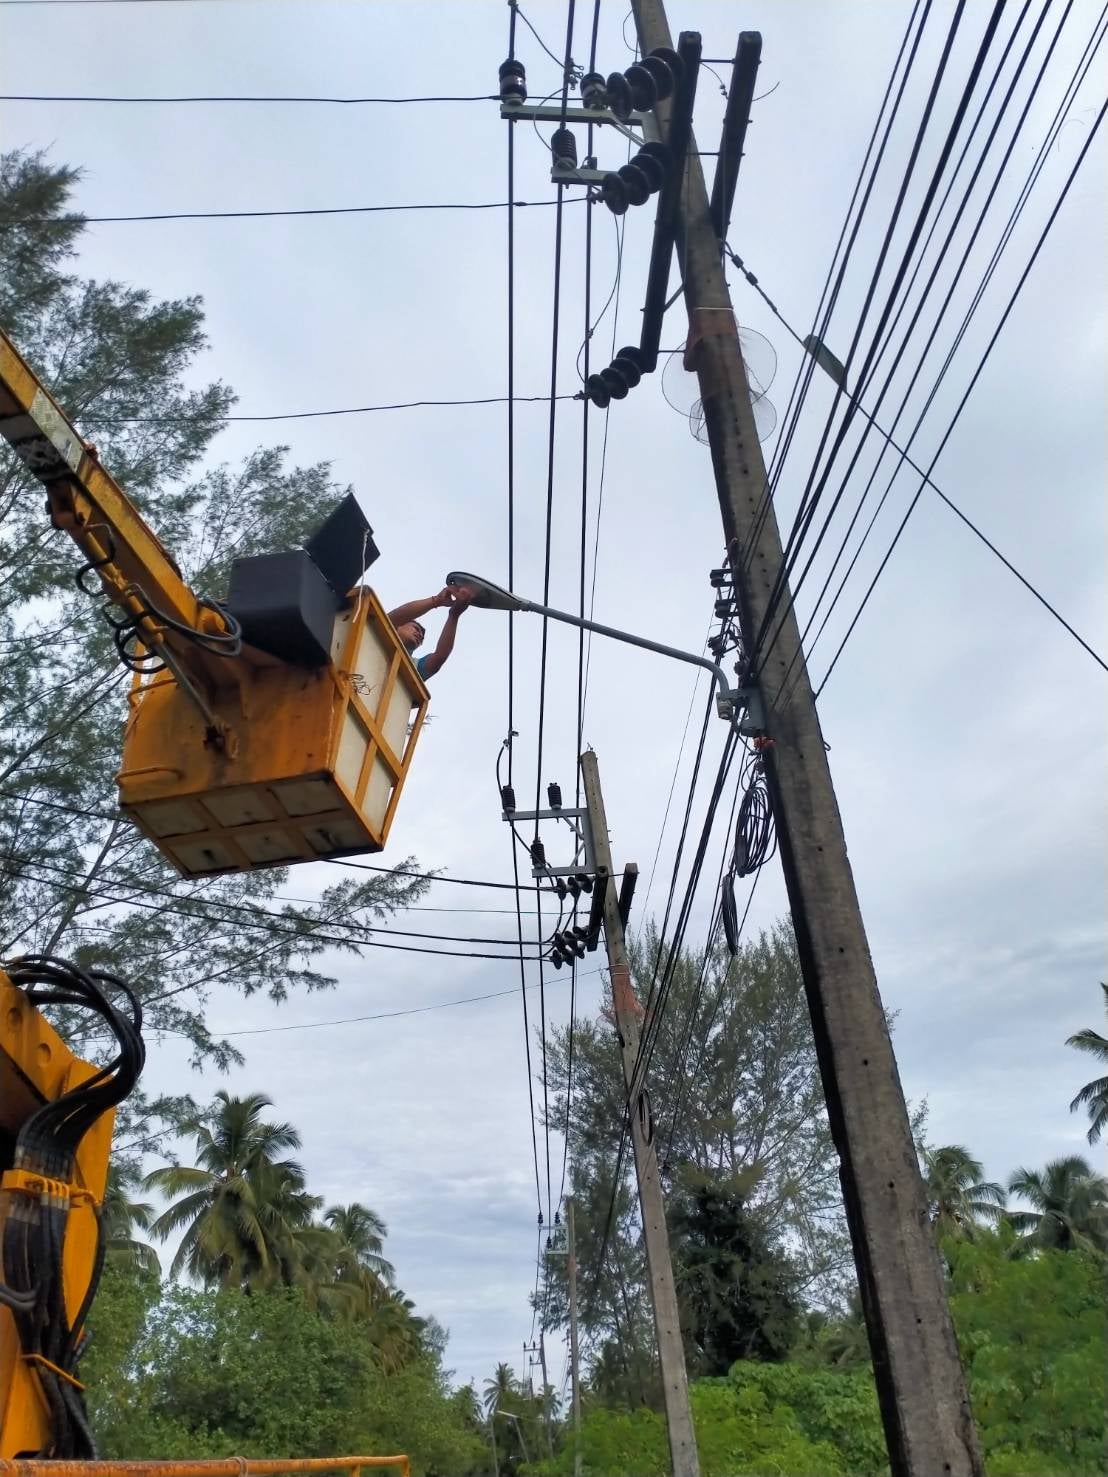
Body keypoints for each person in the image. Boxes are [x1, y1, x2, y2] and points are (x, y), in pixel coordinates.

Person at [387, 585, 473, 680]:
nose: (420, 635)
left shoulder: (414, 667)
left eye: (422, 638)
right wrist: (437, 600)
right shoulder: (379, 626)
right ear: (399, 626)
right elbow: (394, 617)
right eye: (416, 628)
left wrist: (454, 615)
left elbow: (440, 656)